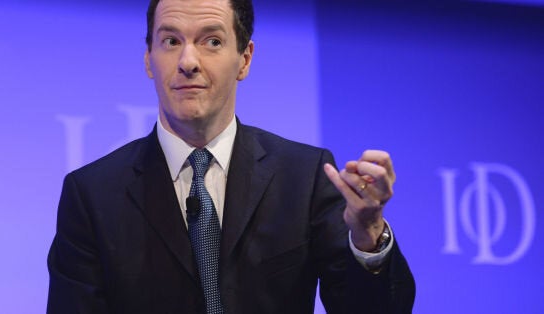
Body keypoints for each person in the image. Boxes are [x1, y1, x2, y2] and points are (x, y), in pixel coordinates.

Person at [47, 0, 415, 313]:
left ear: (245, 59)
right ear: (148, 59)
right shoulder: (93, 194)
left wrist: (368, 234)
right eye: (171, 41)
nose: (188, 61)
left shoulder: (304, 176)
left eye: (212, 41)